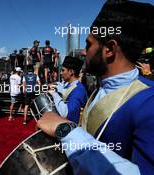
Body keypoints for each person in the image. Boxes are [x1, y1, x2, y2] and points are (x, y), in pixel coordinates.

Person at [37, 1, 154, 174]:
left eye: (89, 45)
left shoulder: (149, 101)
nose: (84, 52)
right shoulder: (102, 86)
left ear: (110, 49)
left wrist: (65, 130)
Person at [49, 56, 87, 124]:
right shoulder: (68, 84)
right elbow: (62, 88)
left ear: (71, 72)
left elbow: (66, 113)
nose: (61, 73)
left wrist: (54, 94)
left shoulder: (78, 91)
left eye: (63, 70)